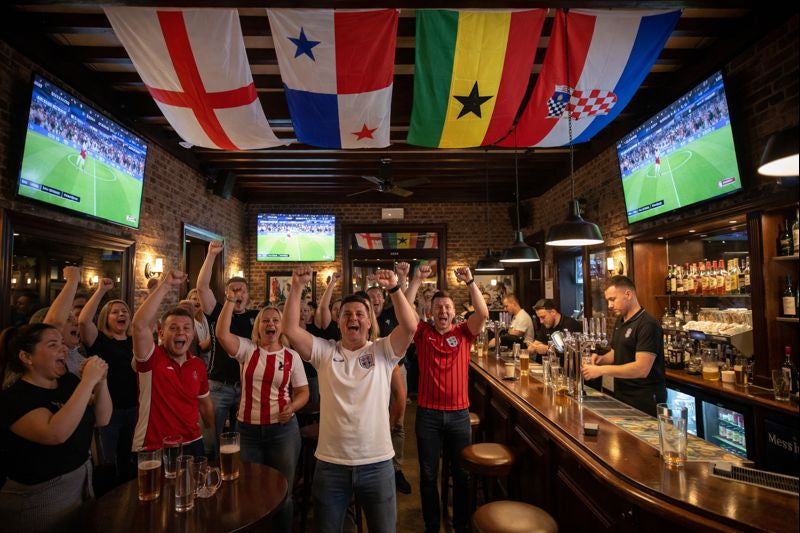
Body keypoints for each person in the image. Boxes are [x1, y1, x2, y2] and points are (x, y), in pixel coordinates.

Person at [282, 266, 418, 533]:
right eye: (346, 314)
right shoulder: (324, 351)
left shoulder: (383, 351)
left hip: (377, 463)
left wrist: (394, 288)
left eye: (359, 314)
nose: (353, 318)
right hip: (331, 465)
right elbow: (290, 329)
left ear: (369, 322)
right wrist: (297, 287)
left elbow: (410, 326)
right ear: (338, 321)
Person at [0, 323, 111, 532]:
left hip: (82, 480)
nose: (63, 349)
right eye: (53, 345)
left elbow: (103, 418)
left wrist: (101, 382)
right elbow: (55, 433)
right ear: (26, 357)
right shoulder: (16, 398)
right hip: (38, 497)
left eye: (62, 343)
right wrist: (87, 382)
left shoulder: (68, 383)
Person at [215, 290, 308, 532]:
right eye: (266, 320)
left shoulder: (291, 356)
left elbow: (303, 393)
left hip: (283, 430)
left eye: (276, 320)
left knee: (283, 490)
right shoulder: (248, 350)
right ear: (258, 326)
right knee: (248, 488)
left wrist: (293, 407)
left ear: (282, 327)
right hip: (247, 431)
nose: (271, 324)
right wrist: (230, 301)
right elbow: (221, 334)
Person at [406, 266, 489, 533]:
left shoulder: (464, 333)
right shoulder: (422, 333)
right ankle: (432, 525)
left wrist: (471, 283)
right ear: (430, 312)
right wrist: (416, 279)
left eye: (447, 308)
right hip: (427, 415)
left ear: (454, 312)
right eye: (438, 307)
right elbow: (404, 310)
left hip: (458, 415)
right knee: (428, 476)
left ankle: (461, 524)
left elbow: (483, 313)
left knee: (461, 474)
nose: (443, 311)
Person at [131, 270, 215, 456]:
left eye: (186, 328)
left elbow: (205, 403)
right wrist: (166, 284)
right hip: (154, 446)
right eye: (173, 328)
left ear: (193, 335)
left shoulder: (197, 365)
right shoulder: (151, 358)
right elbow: (139, 326)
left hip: (193, 442)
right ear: (161, 334)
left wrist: (210, 432)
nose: (180, 333)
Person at [197, 240, 258, 457]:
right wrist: (211, 255)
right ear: (226, 294)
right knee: (210, 443)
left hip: (247, 387)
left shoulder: (256, 317)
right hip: (218, 385)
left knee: (237, 446)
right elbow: (202, 287)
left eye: (241, 290)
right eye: (232, 290)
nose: (237, 293)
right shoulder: (218, 311)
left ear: (248, 295)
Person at [78, 277, 138, 487]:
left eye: (125, 311)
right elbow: (84, 321)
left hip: (134, 408)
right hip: (108, 412)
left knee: (130, 461)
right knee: (107, 463)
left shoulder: (134, 341)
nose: (122, 314)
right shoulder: (99, 341)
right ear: (105, 317)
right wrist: (100, 290)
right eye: (115, 312)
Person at [582, 276, 666, 416]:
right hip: (622, 393)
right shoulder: (620, 321)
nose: (609, 305)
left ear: (628, 294)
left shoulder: (648, 324)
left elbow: (641, 369)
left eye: (612, 299)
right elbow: (616, 354)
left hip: (644, 398)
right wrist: (599, 360)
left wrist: (601, 370)